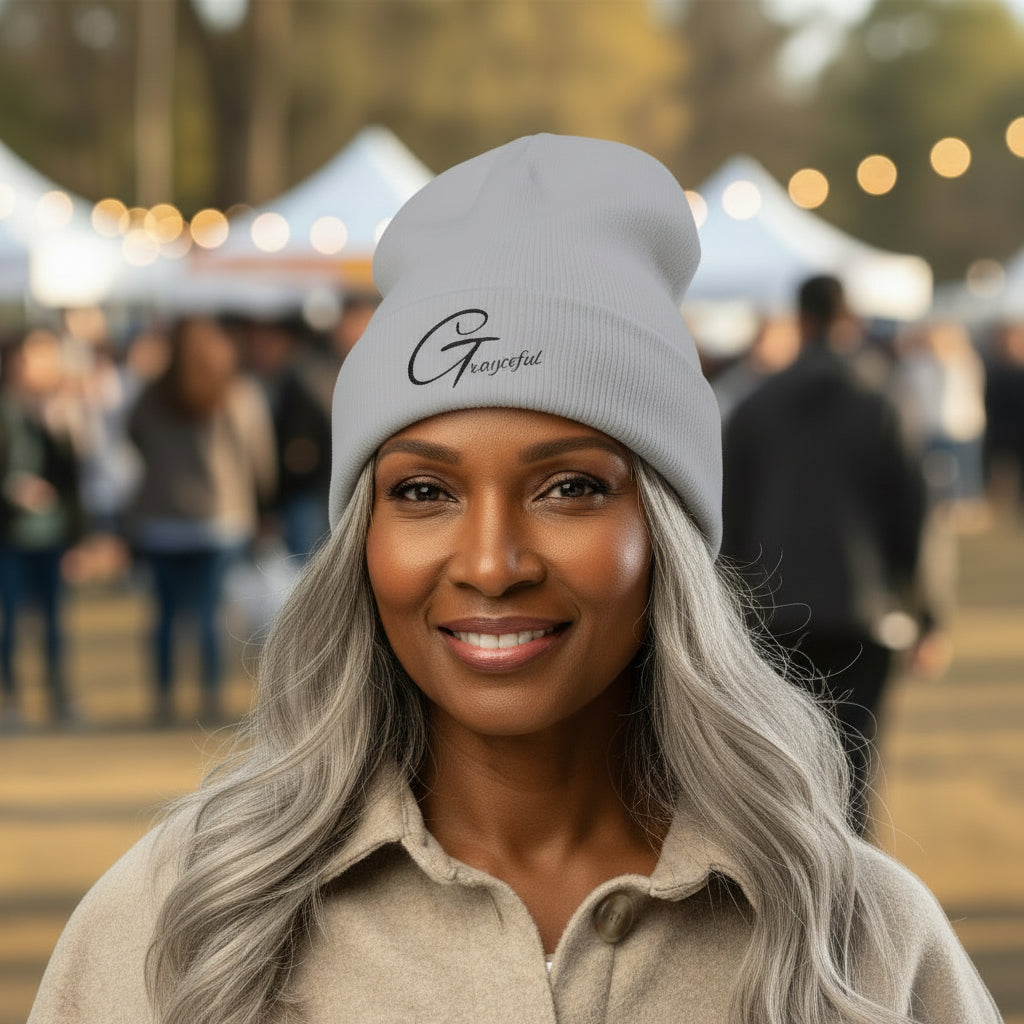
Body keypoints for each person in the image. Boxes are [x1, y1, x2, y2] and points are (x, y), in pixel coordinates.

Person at [29, 136, 1000, 1024]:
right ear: (360, 534)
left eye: (570, 486)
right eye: (422, 490)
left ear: (665, 532)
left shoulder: (854, 944)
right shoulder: (179, 921)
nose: (491, 562)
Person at [721, 274, 931, 835]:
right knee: (855, 760)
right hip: (862, 608)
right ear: (849, 320)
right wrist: (924, 611)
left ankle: (801, 893)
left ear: (801, 320)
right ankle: (852, 894)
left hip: (772, 609)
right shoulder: (882, 402)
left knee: (787, 767)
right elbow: (912, 514)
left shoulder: (753, 407)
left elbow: (727, 516)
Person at [125, 315, 277, 725]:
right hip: (221, 518)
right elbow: (258, 454)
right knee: (210, 613)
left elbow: (133, 437)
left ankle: (163, 699)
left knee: (164, 615)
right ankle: (210, 698)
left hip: (160, 520)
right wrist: (264, 505)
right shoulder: (236, 391)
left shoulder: (151, 395)